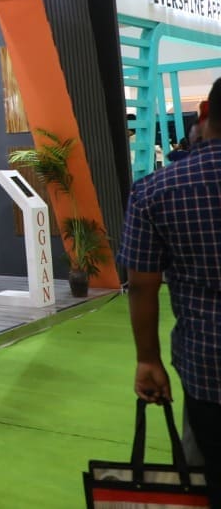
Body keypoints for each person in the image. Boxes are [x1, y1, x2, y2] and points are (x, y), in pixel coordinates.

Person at [120, 77, 221, 506]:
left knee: (209, 477)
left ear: (204, 113)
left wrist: (148, 359)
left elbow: (141, 287)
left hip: (208, 369)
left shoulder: (155, 190)